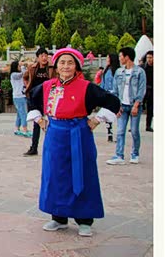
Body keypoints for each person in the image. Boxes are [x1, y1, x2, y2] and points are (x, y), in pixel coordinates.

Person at [27, 48, 120, 236]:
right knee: (55, 175)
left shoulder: (86, 87)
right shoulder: (48, 86)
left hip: (79, 135)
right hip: (54, 136)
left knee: (82, 173)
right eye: (62, 62)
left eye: (70, 63)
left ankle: (84, 219)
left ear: (76, 66)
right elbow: (31, 99)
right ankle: (58, 217)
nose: (66, 66)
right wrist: (40, 120)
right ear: (56, 66)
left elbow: (112, 102)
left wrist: (96, 120)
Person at [106, 47, 147, 165]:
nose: (119, 58)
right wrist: (116, 106)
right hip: (122, 106)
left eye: (121, 56)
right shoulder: (119, 72)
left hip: (135, 105)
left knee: (134, 131)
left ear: (127, 57)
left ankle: (135, 154)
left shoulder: (140, 72)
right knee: (120, 131)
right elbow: (115, 90)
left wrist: (136, 105)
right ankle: (119, 155)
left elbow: (141, 90)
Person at [23, 48, 55, 156]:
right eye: (42, 56)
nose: (44, 58)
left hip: (48, 98)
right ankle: (34, 148)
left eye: (46, 55)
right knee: (37, 123)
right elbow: (25, 77)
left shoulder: (51, 68)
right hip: (35, 98)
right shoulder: (32, 68)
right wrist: (27, 86)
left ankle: (52, 147)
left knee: (52, 121)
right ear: (38, 57)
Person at [99, 53, 119, 142]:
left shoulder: (117, 71)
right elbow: (103, 83)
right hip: (107, 95)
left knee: (116, 115)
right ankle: (109, 133)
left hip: (114, 95)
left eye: (108, 58)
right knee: (107, 115)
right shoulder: (106, 70)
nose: (107, 60)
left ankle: (118, 134)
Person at [10, 60, 30, 137]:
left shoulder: (17, 74)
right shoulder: (14, 75)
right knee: (23, 113)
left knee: (19, 113)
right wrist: (23, 65)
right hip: (19, 96)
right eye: (18, 66)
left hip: (21, 95)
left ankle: (16, 128)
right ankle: (25, 129)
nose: (20, 67)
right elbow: (24, 73)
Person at [144, 50, 153, 132]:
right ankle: (133, 126)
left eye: (150, 57)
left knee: (150, 108)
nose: (149, 59)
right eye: (147, 57)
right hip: (144, 89)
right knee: (139, 107)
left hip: (152, 90)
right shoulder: (143, 67)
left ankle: (148, 125)